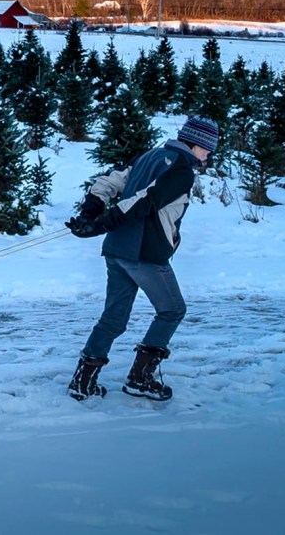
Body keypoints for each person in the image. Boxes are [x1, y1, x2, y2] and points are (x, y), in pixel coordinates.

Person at [65, 115, 219, 402]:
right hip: (145, 254)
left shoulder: (150, 156)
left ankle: (82, 382)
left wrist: (90, 214)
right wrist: (97, 224)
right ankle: (140, 378)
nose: (208, 154)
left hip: (116, 251)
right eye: (208, 148)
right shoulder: (182, 170)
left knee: (113, 317)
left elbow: (108, 182)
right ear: (196, 143)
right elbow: (144, 201)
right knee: (172, 310)